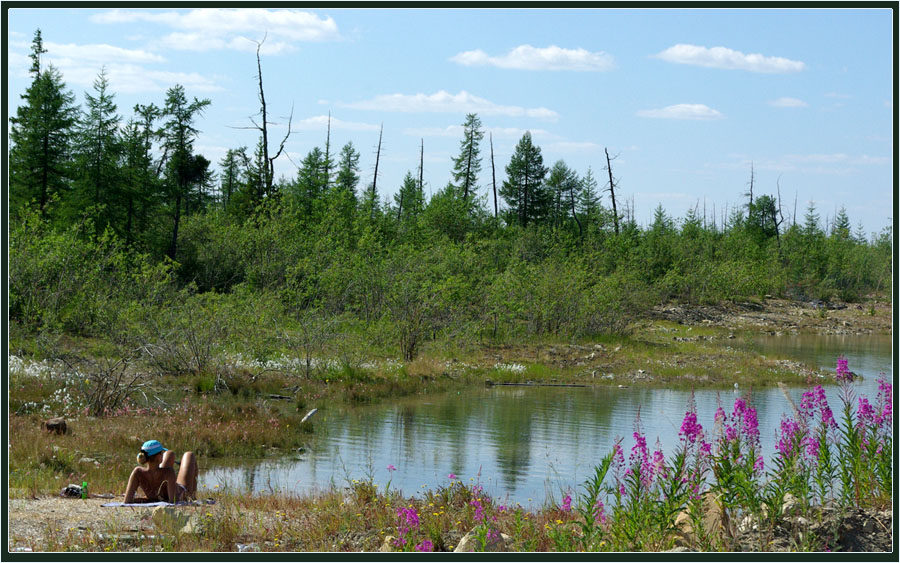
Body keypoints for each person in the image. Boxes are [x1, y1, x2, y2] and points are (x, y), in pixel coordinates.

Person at [124, 440, 198, 503]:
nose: (162, 455)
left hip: (163, 492)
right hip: (181, 492)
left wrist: (149, 499)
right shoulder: (168, 472)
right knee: (189, 455)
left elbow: (127, 500)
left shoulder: (137, 472)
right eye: (161, 453)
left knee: (169, 453)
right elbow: (174, 501)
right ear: (159, 457)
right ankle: (193, 496)